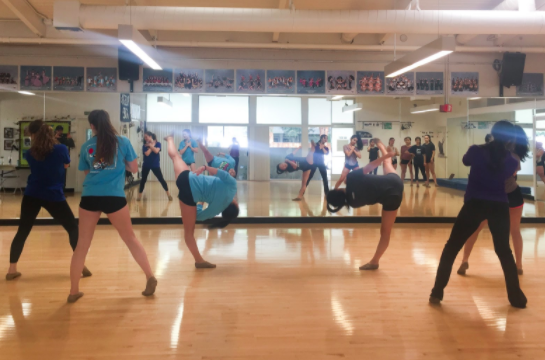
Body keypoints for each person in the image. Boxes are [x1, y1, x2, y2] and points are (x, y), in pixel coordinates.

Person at [429, 120, 527, 309]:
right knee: (504, 251)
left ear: (492, 134)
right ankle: (516, 298)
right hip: (499, 206)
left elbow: (466, 160)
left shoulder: (476, 150)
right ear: (511, 139)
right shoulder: (511, 160)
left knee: (451, 248)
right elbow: (506, 171)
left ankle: (437, 292)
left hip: (474, 204)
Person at [68, 110, 157, 303]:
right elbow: (134, 168)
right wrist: (118, 167)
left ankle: (73, 291)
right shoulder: (123, 142)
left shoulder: (86, 146)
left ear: (92, 126)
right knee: (130, 239)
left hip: (90, 196)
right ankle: (150, 277)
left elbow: (86, 172)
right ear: (108, 122)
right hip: (114, 196)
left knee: (82, 245)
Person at [6, 120, 91, 281]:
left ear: (34, 136)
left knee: (23, 231)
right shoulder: (60, 149)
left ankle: (12, 269)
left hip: (32, 194)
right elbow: (66, 164)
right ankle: (81, 266)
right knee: (72, 228)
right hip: (53, 195)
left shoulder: (29, 153)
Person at [457, 125, 529, 276]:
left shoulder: (501, 155)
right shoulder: (513, 157)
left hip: (496, 196)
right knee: (514, 230)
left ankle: (464, 260)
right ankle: (519, 265)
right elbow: (512, 174)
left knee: (476, 229)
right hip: (511, 194)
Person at [164, 133, 238, 269]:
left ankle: (169, 139)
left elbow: (221, 173)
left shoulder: (233, 186)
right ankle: (198, 261)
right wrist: (199, 203)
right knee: (188, 233)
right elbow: (199, 216)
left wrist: (205, 168)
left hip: (190, 178)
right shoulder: (216, 210)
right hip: (188, 196)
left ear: (235, 204)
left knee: (176, 158)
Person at [327, 138, 403, 270]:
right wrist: (386, 156)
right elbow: (370, 166)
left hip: (393, 197)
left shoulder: (353, 203)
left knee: (385, 233)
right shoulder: (351, 178)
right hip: (393, 181)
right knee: (386, 162)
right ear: (337, 190)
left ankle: (375, 262)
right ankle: (380, 144)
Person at [137, 131, 172, 202]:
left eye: (146, 137)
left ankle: (168, 194)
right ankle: (139, 196)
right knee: (143, 180)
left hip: (155, 165)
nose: (145, 138)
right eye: (145, 137)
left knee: (161, 179)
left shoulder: (158, 144)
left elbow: (156, 151)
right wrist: (151, 146)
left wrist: (151, 146)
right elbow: (147, 154)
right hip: (146, 165)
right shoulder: (144, 146)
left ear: (150, 136)